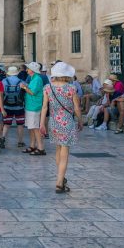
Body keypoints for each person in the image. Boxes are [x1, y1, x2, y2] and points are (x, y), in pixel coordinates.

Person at [40, 61, 82, 193]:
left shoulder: (48, 87)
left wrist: (42, 123)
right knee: (65, 153)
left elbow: (45, 107)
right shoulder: (71, 88)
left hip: (53, 122)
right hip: (67, 122)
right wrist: (80, 120)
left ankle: (61, 177)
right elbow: (76, 108)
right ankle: (59, 182)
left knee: (58, 149)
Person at [21, 62, 46, 155]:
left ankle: (40, 148)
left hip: (34, 107)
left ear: (32, 70)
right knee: (31, 127)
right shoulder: (33, 78)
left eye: (28, 68)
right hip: (30, 106)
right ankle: (32, 145)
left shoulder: (37, 79)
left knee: (35, 128)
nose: (27, 69)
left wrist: (23, 87)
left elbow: (32, 92)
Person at [2, 66, 26, 147]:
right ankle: (20, 141)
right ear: (17, 73)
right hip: (19, 107)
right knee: (20, 124)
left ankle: (3, 138)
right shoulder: (21, 82)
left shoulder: (4, 81)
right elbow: (27, 91)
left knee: (6, 124)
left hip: (7, 106)